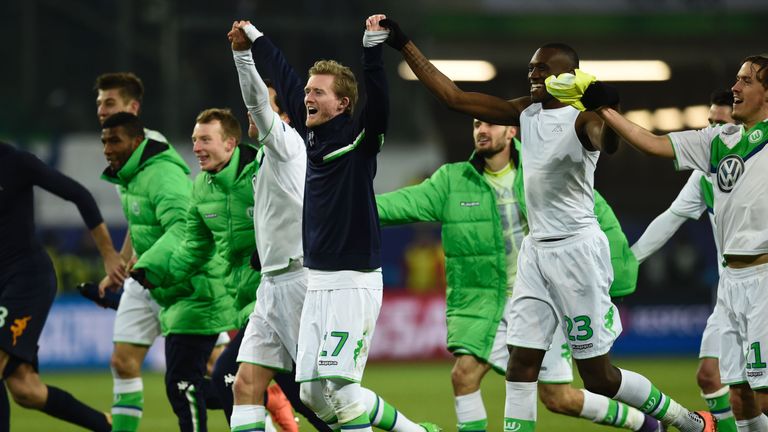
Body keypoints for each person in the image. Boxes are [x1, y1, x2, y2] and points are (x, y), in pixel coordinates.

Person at [375, 19, 717, 431]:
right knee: (522, 363)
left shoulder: (579, 120)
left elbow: (605, 141)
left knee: (599, 378)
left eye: (542, 69)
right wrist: (403, 44)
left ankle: (686, 422)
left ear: (566, 75)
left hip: (577, 254)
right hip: (537, 253)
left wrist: (604, 108)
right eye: (532, 69)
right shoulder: (525, 110)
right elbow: (454, 97)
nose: (533, 74)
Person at [377, 119, 658, 432]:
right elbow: (401, 204)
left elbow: (600, 218)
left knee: (558, 398)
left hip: (542, 300)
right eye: (475, 124)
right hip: (489, 304)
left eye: (491, 125)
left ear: (512, 131)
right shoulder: (453, 181)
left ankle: (642, 422)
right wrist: (350, 208)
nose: (481, 130)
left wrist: (619, 276)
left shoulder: (544, 170)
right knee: (464, 374)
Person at [242, 14, 439, 431]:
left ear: (342, 104)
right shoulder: (311, 136)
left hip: (354, 279)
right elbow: (284, 74)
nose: (307, 97)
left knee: (342, 387)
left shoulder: (359, 141)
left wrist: (371, 50)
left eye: (318, 92)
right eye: (309, 91)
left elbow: (380, 103)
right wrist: (255, 37)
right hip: (318, 280)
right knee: (313, 393)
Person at [590, 55, 768, 430]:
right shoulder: (718, 143)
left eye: (746, 81)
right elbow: (652, 144)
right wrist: (604, 110)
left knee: (762, 392)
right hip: (732, 284)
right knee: (740, 397)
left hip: (764, 276)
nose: (736, 87)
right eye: (736, 79)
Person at [219, 22, 331, 432]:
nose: (252, 111)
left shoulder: (286, 144)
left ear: (282, 115)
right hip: (272, 283)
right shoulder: (269, 158)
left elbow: (256, 99)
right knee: (245, 385)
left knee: (326, 396)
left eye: (263, 106)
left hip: (299, 283)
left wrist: (242, 54)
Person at [99, 112, 235, 432]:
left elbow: (183, 227)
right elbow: (148, 228)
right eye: (104, 140)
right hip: (173, 288)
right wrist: (132, 261)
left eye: (114, 140)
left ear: (136, 141)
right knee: (188, 382)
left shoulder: (162, 175)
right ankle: (254, 392)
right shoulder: (129, 178)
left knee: (184, 385)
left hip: (193, 287)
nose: (106, 148)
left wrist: (148, 266)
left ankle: (256, 393)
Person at [631, 90, 738, 432]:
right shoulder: (705, 174)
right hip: (730, 291)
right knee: (709, 377)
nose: (712, 130)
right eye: (709, 123)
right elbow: (670, 218)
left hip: (760, 285)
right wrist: (628, 262)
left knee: (753, 394)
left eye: (721, 123)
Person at [0, 140, 125, 431]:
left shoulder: (16, 162)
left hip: (27, 279)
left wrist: (108, 254)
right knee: (25, 389)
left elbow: (79, 194)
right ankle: (107, 425)